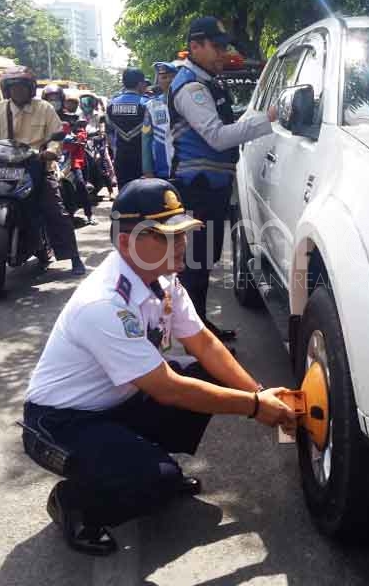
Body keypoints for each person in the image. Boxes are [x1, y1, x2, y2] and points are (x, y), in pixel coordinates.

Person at [22, 178, 296, 556]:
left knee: (203, 373)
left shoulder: (162, 278)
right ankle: (76, 502)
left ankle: (138, 463)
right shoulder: (104, 303)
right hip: (61, 423)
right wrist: (254, 408)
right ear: (126, 243)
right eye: (167, 236)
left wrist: (257, 391)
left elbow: (203, 342)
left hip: (118, 403)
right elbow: (167, 389)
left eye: (182, 233)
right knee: (156, 480)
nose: (181, 243)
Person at [168, 17, 277, 340]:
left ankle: (199, 329)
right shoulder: (192, 88)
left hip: (211, 188)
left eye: (224, 46)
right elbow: (217, 137)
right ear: (195, 46)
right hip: (197, 189)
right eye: (216, 47)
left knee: (203, 262)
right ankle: (194, 340)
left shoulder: (208, 82)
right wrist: (266, 120)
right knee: (196, 265)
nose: (222, 53)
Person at [0, 67, 87, 276]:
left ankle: (74, 257)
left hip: (37, 167)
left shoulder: (44, 108)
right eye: (13, 88)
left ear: (30, 89)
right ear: (7, 90)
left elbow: (55, 136)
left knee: (55, 209)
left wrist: (51, 151)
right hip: (3, 167)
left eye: (22, 87)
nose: (18, 92)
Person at [106, 69, 147, 189]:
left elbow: (109, 133)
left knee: (124, 195)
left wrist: (115, 151)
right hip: (143, 160)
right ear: (140, 84)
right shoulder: (147, 104)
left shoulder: (111, 105)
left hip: (121, 158)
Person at [141, 61, 177, 179]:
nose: (168, 80)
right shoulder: (152, 106)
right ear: (158, 81)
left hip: (186, 169)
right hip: (161, 170)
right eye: (164, 77)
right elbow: (146, 139)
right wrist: (148, 171)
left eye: (172, 77)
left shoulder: (186, 101)